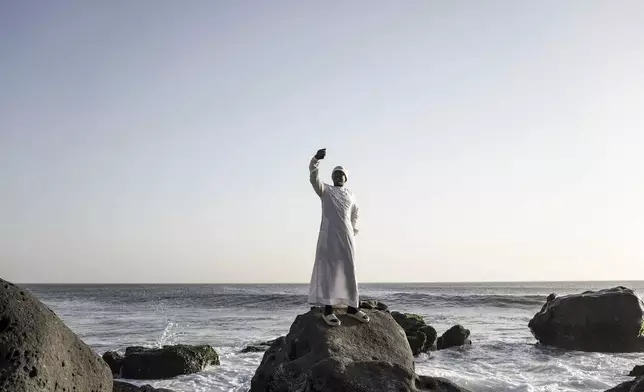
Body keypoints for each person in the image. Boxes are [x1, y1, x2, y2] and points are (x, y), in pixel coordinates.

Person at [308, 148, 369, 326]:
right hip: (329, 237)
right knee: (328, 270)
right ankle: (327, 308)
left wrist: (353, 229)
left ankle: (352, 306)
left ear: (345, 178)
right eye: (335, 174)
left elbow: (356, 213)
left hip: (347, 236)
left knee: (349, 269)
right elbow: (313, 178)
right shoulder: (325, 190)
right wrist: (315, 160)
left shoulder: (351, 194)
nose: (337, 176)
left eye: (340, 174)